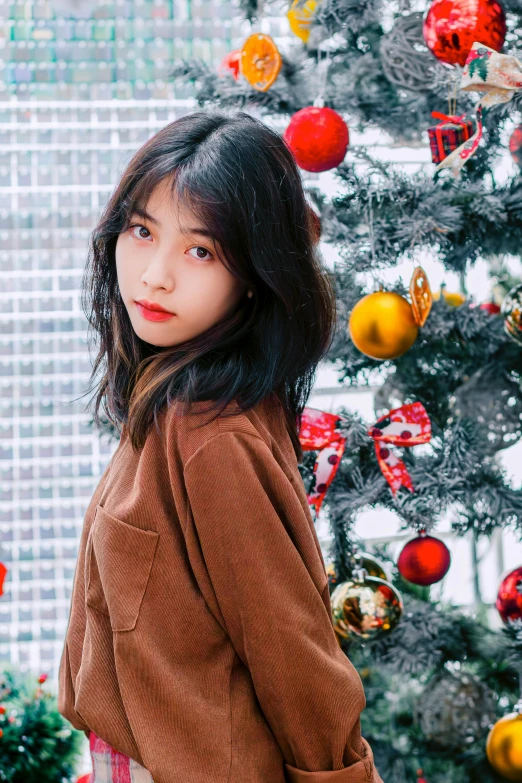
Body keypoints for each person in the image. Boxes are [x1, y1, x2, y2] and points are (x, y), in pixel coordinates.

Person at [57, 108, 384, 783]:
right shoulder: (171, 393)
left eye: (200, 250)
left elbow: (289, 644)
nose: (154, 275)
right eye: (142, 231)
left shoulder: (208, 431)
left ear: (255, 274)